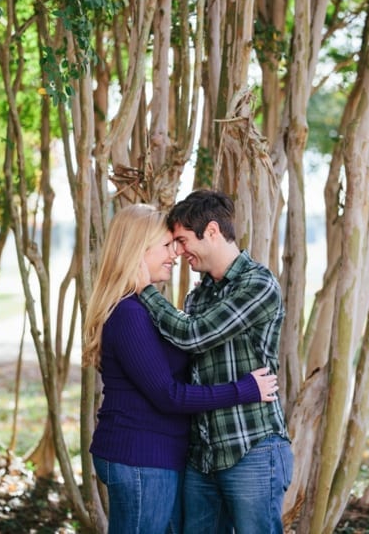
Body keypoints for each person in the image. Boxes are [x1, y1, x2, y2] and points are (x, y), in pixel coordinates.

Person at [83, 204, 280, 534]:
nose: (175, 253)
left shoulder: (147, 308)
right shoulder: (130, 313)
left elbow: (190, 344)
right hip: (140, 455)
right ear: (137, 251)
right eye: (166, 245)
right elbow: (168, 395)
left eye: (178, 243)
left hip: (158, 456)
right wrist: (244, 389)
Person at [137, 189, 293, 534]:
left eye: (181, 240)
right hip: (202, 455)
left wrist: (144, 287)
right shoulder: (200, 294)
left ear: (211, 231)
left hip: (251, 446)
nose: (177, 251)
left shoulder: (258, 284)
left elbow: (192, 335)